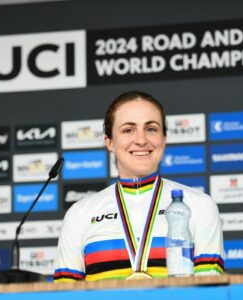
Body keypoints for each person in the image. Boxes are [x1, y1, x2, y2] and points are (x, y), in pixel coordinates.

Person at [54, 91, 224, 282]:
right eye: (128, 130)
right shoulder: (80, 213)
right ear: (109, 142)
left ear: (164, 138)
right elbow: (65, 294)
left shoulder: (199, 205)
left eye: (151, 129)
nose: (142, 139)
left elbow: (209, 292)